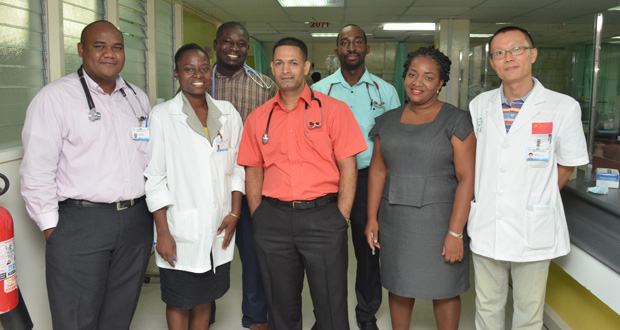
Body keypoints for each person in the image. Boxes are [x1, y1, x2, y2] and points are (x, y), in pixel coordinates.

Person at [20, 20, 153, 330]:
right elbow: (37, 170)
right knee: (76, 319)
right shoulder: (55, 98)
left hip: (135, 223)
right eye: (99, 46)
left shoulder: (136, 98)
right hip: (80, 224)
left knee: (118, 317)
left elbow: (148, 159)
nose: (110, 54)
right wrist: (53, 229)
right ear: (81, 50)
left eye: (117, 47)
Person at [237, 37, 367, 330]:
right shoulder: (258, 118)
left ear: (306, 67)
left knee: (332, 308)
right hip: (273, 220)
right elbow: (253, 170)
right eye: (280, 63)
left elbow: (349, 166)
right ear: (271, 67)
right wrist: (259, 216)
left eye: (294, 63)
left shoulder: (334, 110)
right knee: (280, 308)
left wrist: (341, 216)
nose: (286, 70)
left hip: (323, 218)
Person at [468, 26, 589, 330]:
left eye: (516, 49)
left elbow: (567, 164)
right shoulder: (479, 105)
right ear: (492, 63)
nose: (508, 58)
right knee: (486, 307)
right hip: (487, 222)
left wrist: (537, 199)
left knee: (529, 312)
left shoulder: (562, 107)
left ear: (532, 54)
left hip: (533, 226)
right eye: (499, 53)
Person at [365, 47, 475, 330]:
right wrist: (372, 218)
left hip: (440, 221)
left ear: (441, 83)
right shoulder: (387, 121)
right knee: (399, 285)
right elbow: (378, 170)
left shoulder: (456, 120)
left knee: (445, 288)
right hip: (396, 221)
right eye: (412, 74)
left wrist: (455, 232)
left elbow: (467, 178)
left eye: (428, 77)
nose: (418, 82)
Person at [144, 43, 244, 330]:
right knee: (178, 300)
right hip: (179, 226)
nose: (197, 75)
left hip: (220, 224)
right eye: (188, 69)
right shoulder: (163, 115)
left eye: (203, 68)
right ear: (177, 74)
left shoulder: (227, 112)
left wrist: (235, 213)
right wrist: (162, 231)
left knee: (206, 297)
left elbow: (238, 167)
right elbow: (155, 176)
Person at [312, 24, 400, 330]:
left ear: (367, 49)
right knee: (325, 254)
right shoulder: (319, 91)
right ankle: (326, 317)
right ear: (336, 51)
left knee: (368, 251)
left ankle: (366, 315)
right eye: (345, 43)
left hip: (368, 181)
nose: (351, 47)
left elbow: (393, 142)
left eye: (357, 42)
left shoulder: (385, 91)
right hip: (327, 182)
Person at [210, 21, 276, 330]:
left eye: (241, 44)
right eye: (228, 42)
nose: (234, 49)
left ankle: (255, 318)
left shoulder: (264, 86)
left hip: (250, 186)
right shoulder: (198, 80)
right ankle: (202, 316)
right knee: (204, 257)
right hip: (208, 186)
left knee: (253, 258)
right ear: (216, 44)